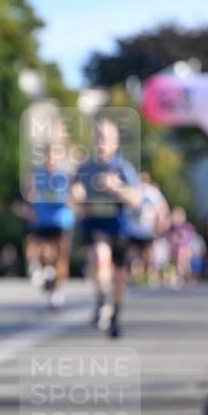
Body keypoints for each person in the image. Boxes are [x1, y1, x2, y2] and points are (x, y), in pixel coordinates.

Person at [72, 118, 141, 337]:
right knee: (99, 256)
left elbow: (136, 200)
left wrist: (116, 187)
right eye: (97, 137)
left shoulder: (123, 168)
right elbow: (74, 194)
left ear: (115, 142)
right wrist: (78, 198)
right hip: (94, 225)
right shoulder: (85, 167)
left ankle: (116, 314)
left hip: (117, 227)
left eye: (105, 138)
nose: (100, 142)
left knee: (119, 276)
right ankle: (102, 300)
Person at [22, 142, 75, 310]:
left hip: (62, 221)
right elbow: (25, 198)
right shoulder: (36, 175)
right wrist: (29, 206)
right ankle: (45, 275)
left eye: (55, 153)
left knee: (60, 258)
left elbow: (77, 195)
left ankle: (56, 289)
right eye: (49, 153)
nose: (51, 157)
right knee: (42, 252)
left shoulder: (66, 176)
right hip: (42, 221)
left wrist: (73, 199)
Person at [125, 172, 169, 285]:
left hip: (146, 228)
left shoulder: (152, 192)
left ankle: (149, 276)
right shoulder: (131, 189)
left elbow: (162, 207)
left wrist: (160, 220)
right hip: (133, 228)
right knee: (133, 254)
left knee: (147, 254)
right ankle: (135, 277)